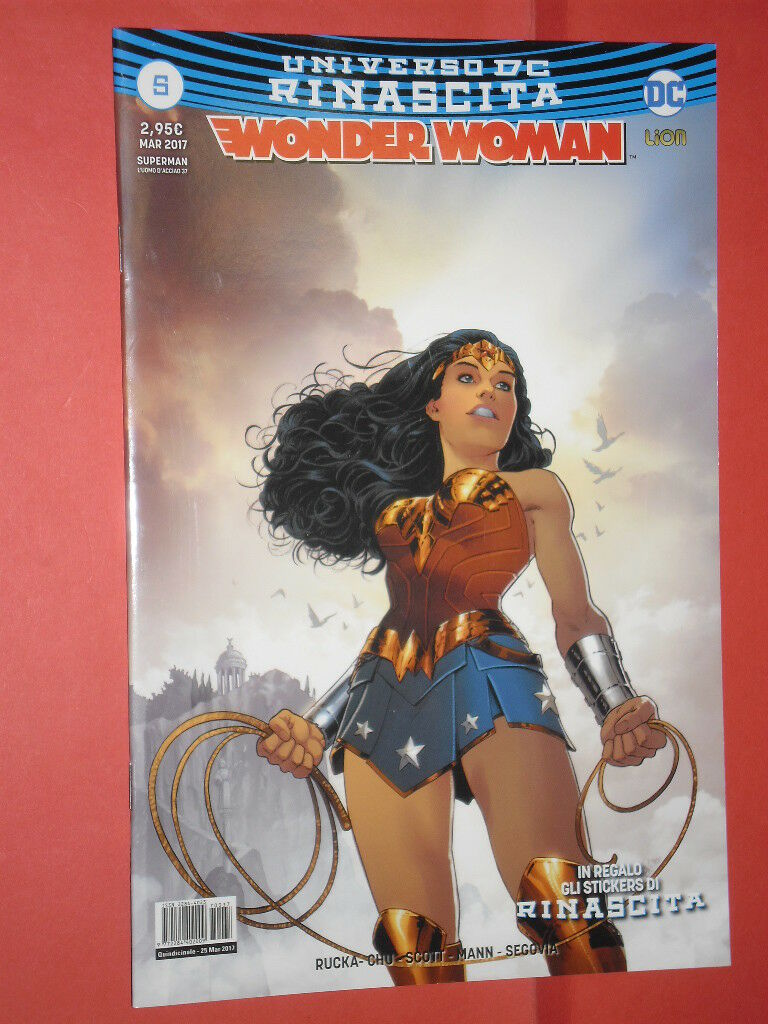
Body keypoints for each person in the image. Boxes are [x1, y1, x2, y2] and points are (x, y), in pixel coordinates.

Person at [253, 329, 666, 984]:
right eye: (468, 377)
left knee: (558, 890)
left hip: (491, 673)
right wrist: (317, 724)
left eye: (505, 384)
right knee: (411, 940)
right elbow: (396, 628)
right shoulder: (395, 511)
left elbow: (575, 615)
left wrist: (615, 704)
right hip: (384, 699)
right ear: (433, 404)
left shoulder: (535, 490)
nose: (491, 392)